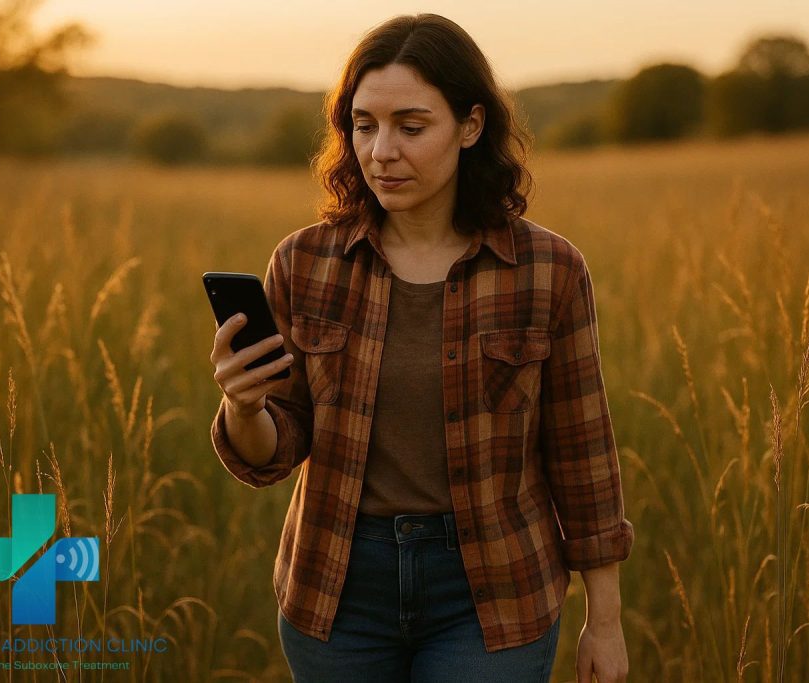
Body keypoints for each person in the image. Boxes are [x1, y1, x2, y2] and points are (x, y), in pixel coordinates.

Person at [209, 13, 633, 683]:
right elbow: (276, 449)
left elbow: (582, 451)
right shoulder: (304, 263)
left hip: (494, 587)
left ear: (470, 126)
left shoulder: (549, 269)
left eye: (411, 126)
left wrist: (604, 621)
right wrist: (242, 405)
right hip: (338, 587)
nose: (381, 151)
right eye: (364, 124)